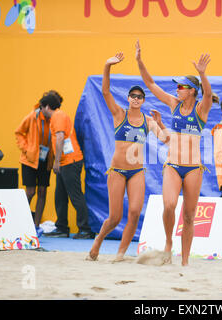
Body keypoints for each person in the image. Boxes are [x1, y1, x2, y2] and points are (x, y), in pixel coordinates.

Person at [136, 40, 218, 266]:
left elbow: (209, 95)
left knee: (190, 216)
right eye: (177, 86)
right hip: (172, 164)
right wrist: (139, 62)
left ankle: (185, 262)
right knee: (169, 205)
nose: (177, 89)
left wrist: (202, 74)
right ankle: (169, 244)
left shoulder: (200, 109)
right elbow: (151, 84)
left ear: (192, 90)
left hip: (193, 168)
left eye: (181, 86)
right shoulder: (173, 104)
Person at [87, 52, 169, 261]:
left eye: (139, 96)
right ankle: (98, 240)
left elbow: (166, 139)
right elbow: (105, 91)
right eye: (133, 95)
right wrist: (107, 66)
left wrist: (160, 123)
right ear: (128, 98)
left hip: (136, 172)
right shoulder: (119, 114)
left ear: (143, 100)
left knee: (134, 213)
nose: (135, 98)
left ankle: (120, 254)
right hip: (117, 170)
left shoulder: (148, 122)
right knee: (114, 217)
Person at [40, 91, 95, 239]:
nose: (41, 111)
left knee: (75, 195)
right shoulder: (58, 116)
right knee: (60, 196)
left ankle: (85, 229)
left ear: (46, 106)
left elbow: (59, 139)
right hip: (65, 162)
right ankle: (62, 227)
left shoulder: (58, 116)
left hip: (69, 162)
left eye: (41, 108)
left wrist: (56, 162)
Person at [15, 91, 55, 237]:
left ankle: (36, 226)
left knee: (42, 191)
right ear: (43, 106)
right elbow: (19, 133)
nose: (52, 110)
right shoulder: (32, 117)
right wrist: (26, 149)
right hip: (30, 160)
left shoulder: (54, 118)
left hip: (46, 159)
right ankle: (20, 222)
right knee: (30, 191)